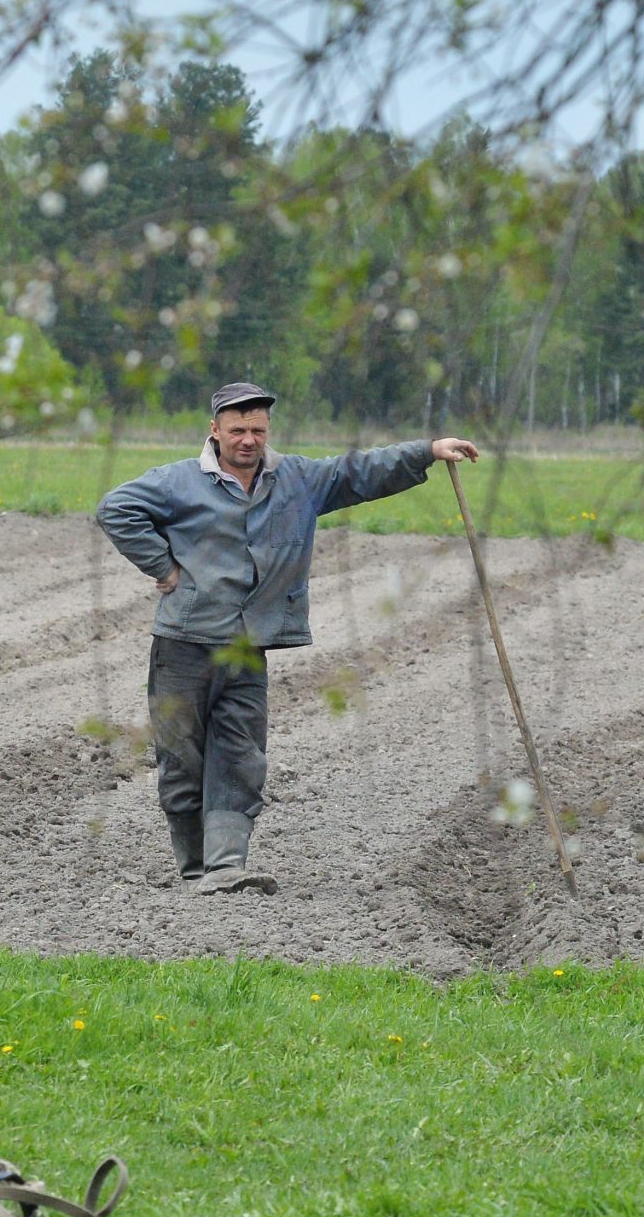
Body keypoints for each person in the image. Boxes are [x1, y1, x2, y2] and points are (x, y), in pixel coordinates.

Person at [95, 381, 480, 893]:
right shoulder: (176, 482)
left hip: (249, 647)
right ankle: (193, 870)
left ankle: (226, 866)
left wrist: (427, 451)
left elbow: (358, 471)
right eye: (238, 430)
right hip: (183, 645)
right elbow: (115, 509)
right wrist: (162, 566)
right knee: (183, 759)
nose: (249, 440)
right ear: (214, 430)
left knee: (240, 755)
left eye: (257, 429)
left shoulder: (297, 479)